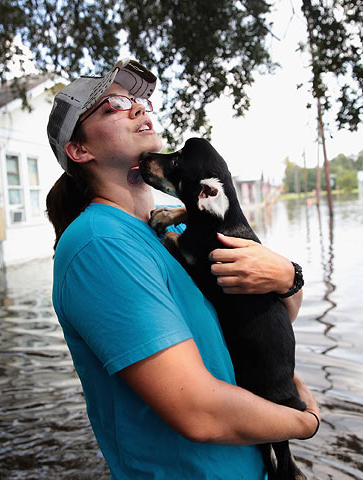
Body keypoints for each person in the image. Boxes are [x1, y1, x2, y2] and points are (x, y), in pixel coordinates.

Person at [46, 58, 319, 479]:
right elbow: (199, 412)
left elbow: (263, 319)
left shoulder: (175, 223)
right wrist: (304, 423)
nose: (138, 108)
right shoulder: (101, 245)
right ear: (80, 150)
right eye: (112, 106)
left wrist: (287, 278)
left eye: (139, 100)